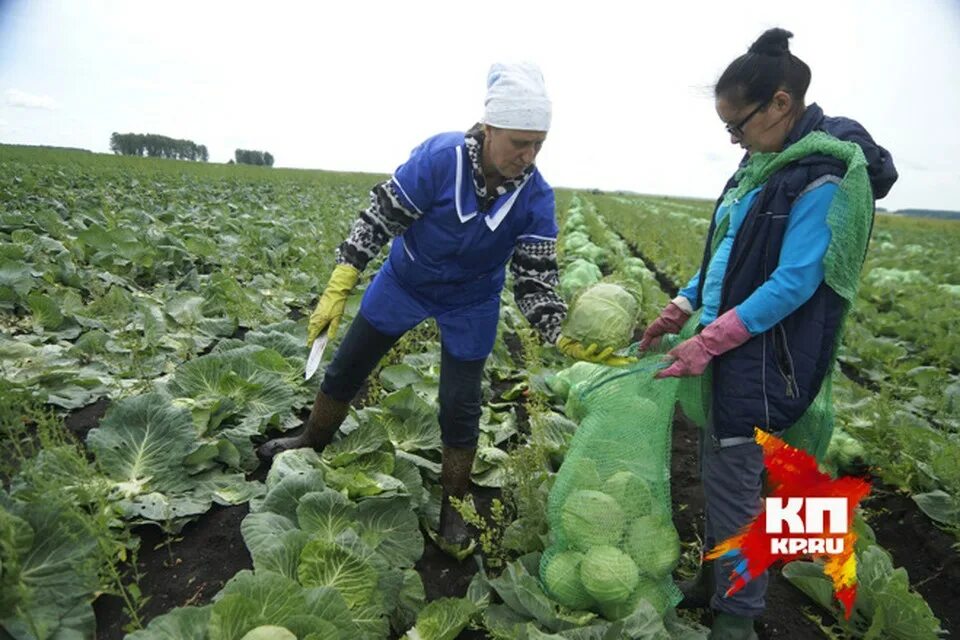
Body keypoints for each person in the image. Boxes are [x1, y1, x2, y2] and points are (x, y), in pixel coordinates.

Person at [258, 62, 625, 549]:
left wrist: (560, 333)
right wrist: (343, 275)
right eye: (519, 142)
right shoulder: (441, 159)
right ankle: (311, 439)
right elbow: (380, 217)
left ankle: (454, 500)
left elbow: (536, 282)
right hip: (406, 279)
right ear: (490, 128)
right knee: (349, 365)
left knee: (460, 403)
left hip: (471, 300)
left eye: (538, 143)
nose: (529, 155)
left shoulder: (535, 198)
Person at [639, 28, 897, 640]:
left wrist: (708, 340)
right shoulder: (762, 165)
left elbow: (795, 281)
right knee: (718, 468)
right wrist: (681, 306)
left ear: (781, 103)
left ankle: (738, 617)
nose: (733, 138)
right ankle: (716, 581)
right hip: (732, 341)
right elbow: (727, 249)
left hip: (764, 353)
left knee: (732, 486)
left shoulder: (823, 177)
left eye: (738, 124)